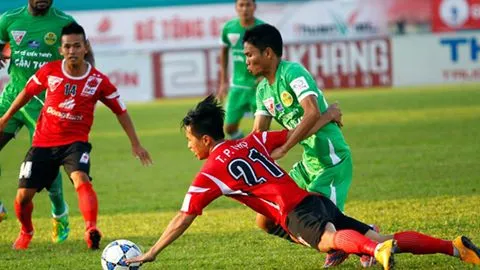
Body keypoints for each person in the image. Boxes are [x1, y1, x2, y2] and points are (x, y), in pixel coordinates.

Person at [126, 95, 480, 269]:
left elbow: (183, 217)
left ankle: (371, 251)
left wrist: (153, 252)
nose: (188, 146)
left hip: (294, 211)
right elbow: (296, 132)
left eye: (189, 139)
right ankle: (453, 247)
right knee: (379, 237)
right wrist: (328, 115)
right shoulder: (251, 141)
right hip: (312, 200)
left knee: (333, 243)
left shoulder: (209, 173)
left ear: (204, 140)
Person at [0, 22, 152, 250]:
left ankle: (91, 228)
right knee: (22, 197)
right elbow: (25, 93)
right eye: (68, 47)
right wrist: (4, 119)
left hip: (75, 144)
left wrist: (136, 144)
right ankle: (26, 231)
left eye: (77, 46)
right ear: (61, 49)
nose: (72, 51)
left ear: (86, 47)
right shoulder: (49, 71)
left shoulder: (98, 81)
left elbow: (121, 111)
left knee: (81, 178)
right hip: (43, 143)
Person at [242, 23, 364, 267]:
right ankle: (350, 239)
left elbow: (311, 112)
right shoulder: (263, 91)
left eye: (249, 54)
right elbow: (258, 135)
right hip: (308, 162)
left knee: (319, 218)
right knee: (265, 220)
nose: (246, 61)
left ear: (267, 53)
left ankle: (362, 243)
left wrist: (286, 147)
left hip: (329, 158)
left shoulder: (293, 73)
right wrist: (234, 157)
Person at [0, 0, 94, 244]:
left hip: (47, 105)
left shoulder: (64, 23)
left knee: (49, 167)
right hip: (13, 97)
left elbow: (86, 53)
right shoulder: (9, 19)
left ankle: (59, 212)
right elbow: (3, 44)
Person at [217, 0, 264, 139]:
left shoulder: (263, 28)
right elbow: (224, 52)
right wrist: (223, 82)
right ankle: (243, 148)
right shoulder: (229, 28)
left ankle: (261, 156)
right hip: (237, 86)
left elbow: (272, 54)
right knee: (229, 127)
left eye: (248, 5)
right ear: (236, 8)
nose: (245, 9)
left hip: (258, 87)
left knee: (260, 130)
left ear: (254, 7)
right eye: (241, 5)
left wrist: (264, 75)